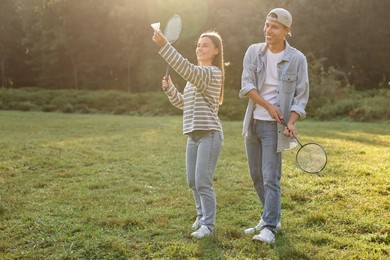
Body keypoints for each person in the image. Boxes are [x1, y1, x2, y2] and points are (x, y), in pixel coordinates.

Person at [239, 8, 309, 244]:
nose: (268, 30)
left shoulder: (297, 59)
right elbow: (247, 86)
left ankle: (269, 226)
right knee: (256, 176)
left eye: (275, 27)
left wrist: (291, 121)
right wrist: (269, 107)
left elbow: (301, 96)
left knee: (271, 177)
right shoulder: (253, 52)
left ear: (287, 31)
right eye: (267, 25)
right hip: (254, 122)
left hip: (274, 128)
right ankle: (271, 216)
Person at [152, 29, 225, 239]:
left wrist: (165, 46)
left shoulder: (212, 73)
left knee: (203, 181)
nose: (199, 48)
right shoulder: (195, 77)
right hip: (193, 136)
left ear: (216, 51)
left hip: (209, 135)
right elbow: (184, 104)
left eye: (205, 45)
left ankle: (208, 226)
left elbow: (186, 68)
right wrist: (171, 90)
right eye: (198, 45)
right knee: (192, 182)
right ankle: (201, 217)